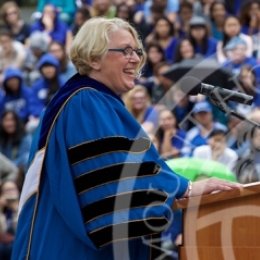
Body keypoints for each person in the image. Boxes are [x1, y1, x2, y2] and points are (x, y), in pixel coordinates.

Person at [12, 17, 241, 260]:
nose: (135, 59)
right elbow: (115, 171)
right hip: (68, 247)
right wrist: (186, 188)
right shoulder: (85, 102)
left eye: (137, 51)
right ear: (93, 58)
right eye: (125, 50)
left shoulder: (89, 100)